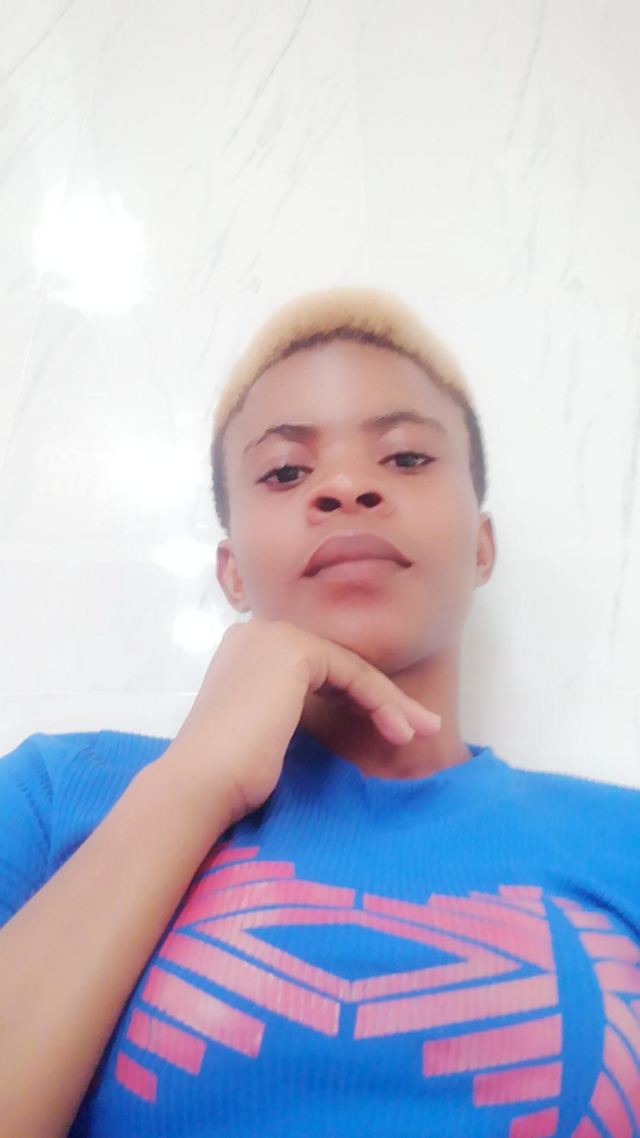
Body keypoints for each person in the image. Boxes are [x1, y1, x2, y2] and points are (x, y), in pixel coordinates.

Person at [0, 286, 638, 1137]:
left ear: (482, 546)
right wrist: (194, 780)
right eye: (286, 471)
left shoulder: (622, 839)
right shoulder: (54, 795)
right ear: (231, 571)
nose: (344, 486)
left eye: (405, 457)